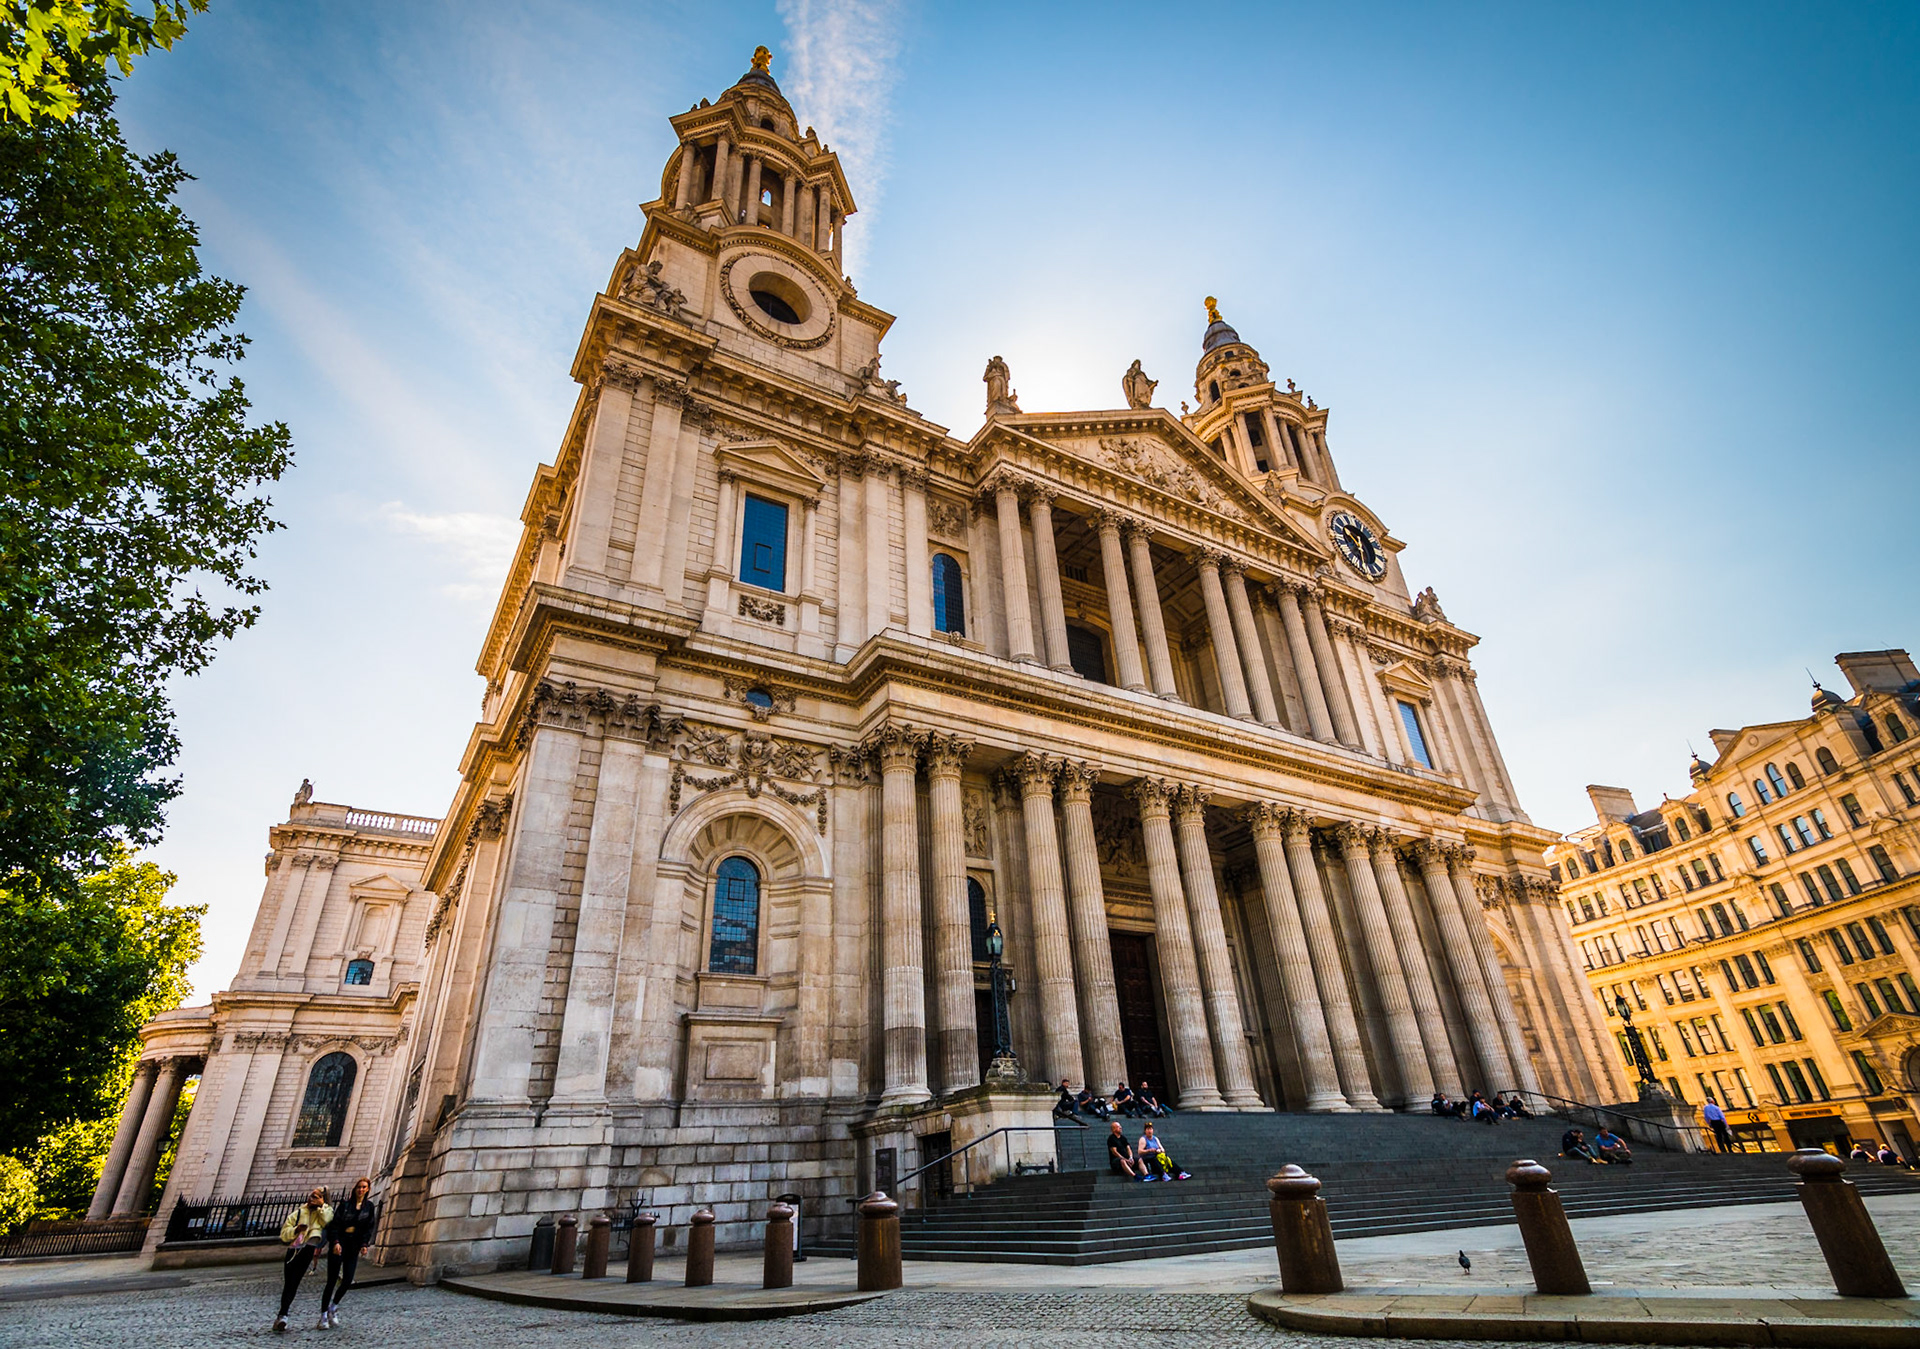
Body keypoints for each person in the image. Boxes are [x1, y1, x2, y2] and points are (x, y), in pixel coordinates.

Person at [320, 1176, 377, 1328]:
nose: (361, 1190)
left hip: (353, 1246)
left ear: (368, 1190)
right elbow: (335, 1225)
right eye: (359, 1187)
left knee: (347, 1280)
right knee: (331, 1281)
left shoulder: (369, 1207)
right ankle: (323, 1315)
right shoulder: (345, 1205)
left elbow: (369, 1227)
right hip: (339, 1245)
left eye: (364, 1187)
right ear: (355, 1189)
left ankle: (333, 1307)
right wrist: (335, 1242)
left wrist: (364, 1244)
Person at [274, 1186, 333, 1333]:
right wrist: (296, 1230)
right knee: (289, 1283)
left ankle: (283, 1315)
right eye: (311, 1196)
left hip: (308, 1250)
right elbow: (284, 1234)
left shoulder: (325, 1211)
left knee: (294, 1283)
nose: (312, 1199)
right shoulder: (299, 1212)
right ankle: (282, 1315)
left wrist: (321, 1206)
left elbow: (327, 1221)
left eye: (316, 1197)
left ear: (323, 1199)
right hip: (294, 1250)